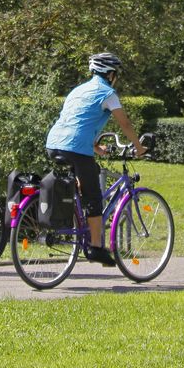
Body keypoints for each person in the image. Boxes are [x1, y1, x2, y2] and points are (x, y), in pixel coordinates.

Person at [45, 52, 147, 266]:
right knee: (94, 197)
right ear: (110, 74)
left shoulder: (77, 91)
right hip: (75, 148)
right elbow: (125, 124)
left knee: (82, 185)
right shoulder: (107, 93)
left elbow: (77, 121)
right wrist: (139, 147)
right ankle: (96, 247)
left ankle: (76, 220)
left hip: (54, 143)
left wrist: (95, 147)